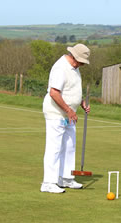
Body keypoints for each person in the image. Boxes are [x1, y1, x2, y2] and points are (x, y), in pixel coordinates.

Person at [40, 43, 91, 193]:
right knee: (54, 148)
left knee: (69, 146)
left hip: (69, 114)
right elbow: (54, 93)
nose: (82, 64)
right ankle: (48, 182)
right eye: (82, 61)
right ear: (75, 57)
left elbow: (71, 89)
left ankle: (66, 178)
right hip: (56, 113)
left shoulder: (75, 68)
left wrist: (80, 102)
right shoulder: (60, 68)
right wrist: (69, 110)